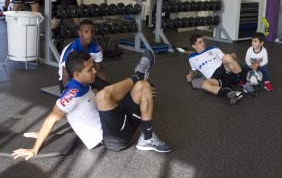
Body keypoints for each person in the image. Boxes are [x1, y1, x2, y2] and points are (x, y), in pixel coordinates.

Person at [12, 50, 172, 160]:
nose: (95, 71)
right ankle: (138, 73)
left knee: (143, 86)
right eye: (90, 69)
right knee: (103, 95)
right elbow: (51, 119)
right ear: (77, 74)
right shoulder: (71, 94)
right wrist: (34, 149)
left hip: (120, 123)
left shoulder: (87, 85)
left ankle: (147, 138)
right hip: (113, 140)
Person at [186, 34, 256, 104]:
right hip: (215, 78)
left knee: (227, 56)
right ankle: (230, 94)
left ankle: (246, 84)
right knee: (205, 84)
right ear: (194, 46)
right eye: (200, 42)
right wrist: (192, 75)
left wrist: (232, 57)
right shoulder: (191, 58)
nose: (203, 43)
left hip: (224, 69)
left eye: (203, 41)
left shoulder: (213, 48)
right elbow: (196, 71)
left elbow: (226, 59)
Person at [59, 19, 107, 93]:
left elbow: (99, 72)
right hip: (71, 79)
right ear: (80, 33)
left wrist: (108, 86)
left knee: (108, 91)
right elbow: (65, 79)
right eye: (86, 32)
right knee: (93, 95)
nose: (90, 35)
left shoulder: (97, 48)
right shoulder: (71, 50)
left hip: (87, 76)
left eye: (92, 32)